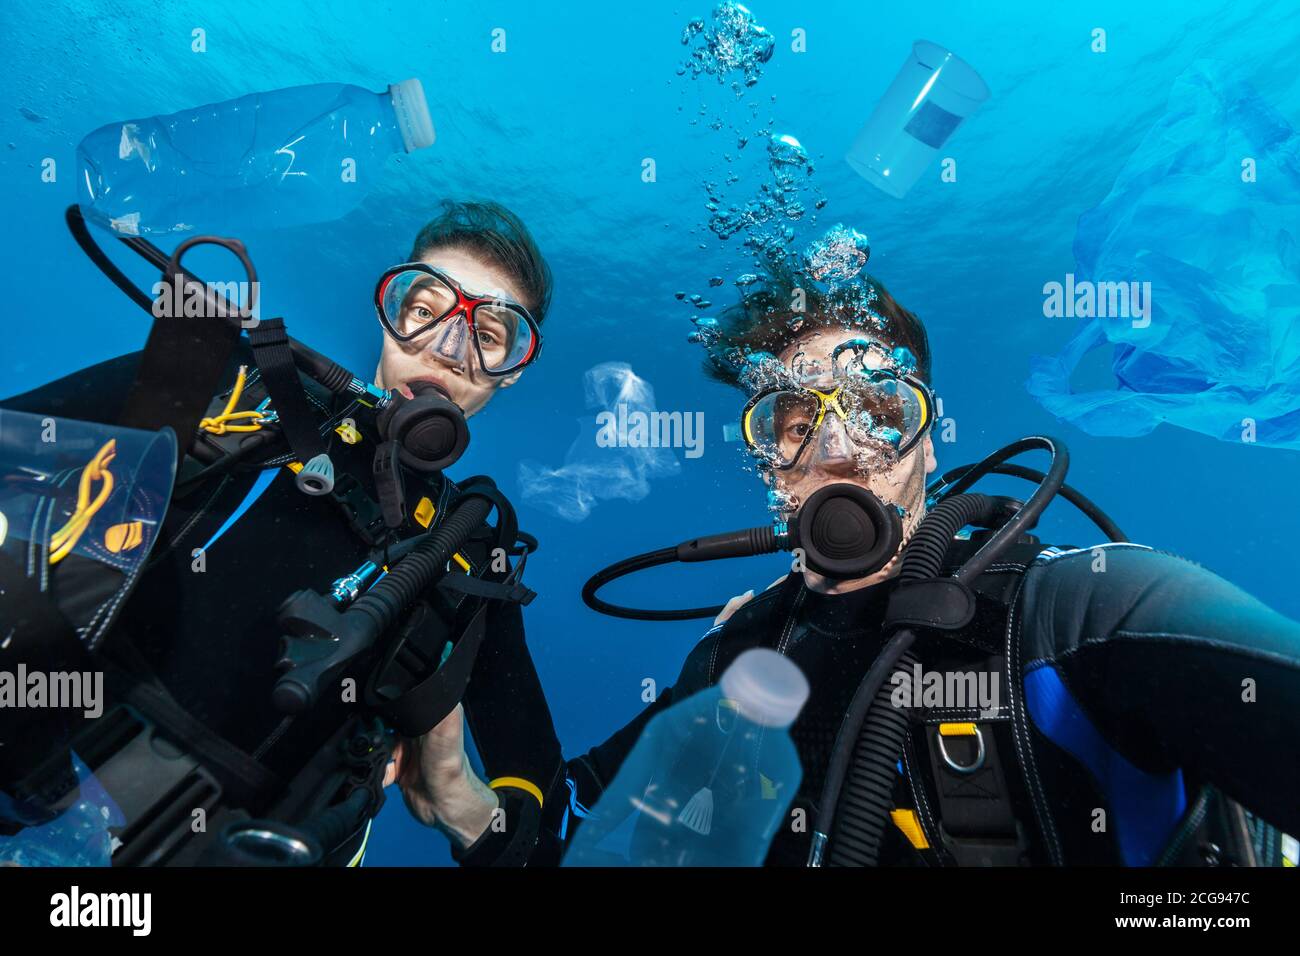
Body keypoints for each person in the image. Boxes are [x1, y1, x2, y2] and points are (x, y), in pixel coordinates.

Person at [394, 264, 1300, 867]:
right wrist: (456, 782)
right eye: (791, 422)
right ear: (767, 467)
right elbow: (577, 843)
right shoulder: (736, 664)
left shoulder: (1080, 607)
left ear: (928, 444)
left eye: (874, 409)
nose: (835, 445)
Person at [0, 199, 563, 867]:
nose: (446, 347)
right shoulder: (230, 386)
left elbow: (543, 828)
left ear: (514, 368)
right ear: (390, 312)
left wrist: (458, 797)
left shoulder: (471, 556)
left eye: (489, 336)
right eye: (426, 309)